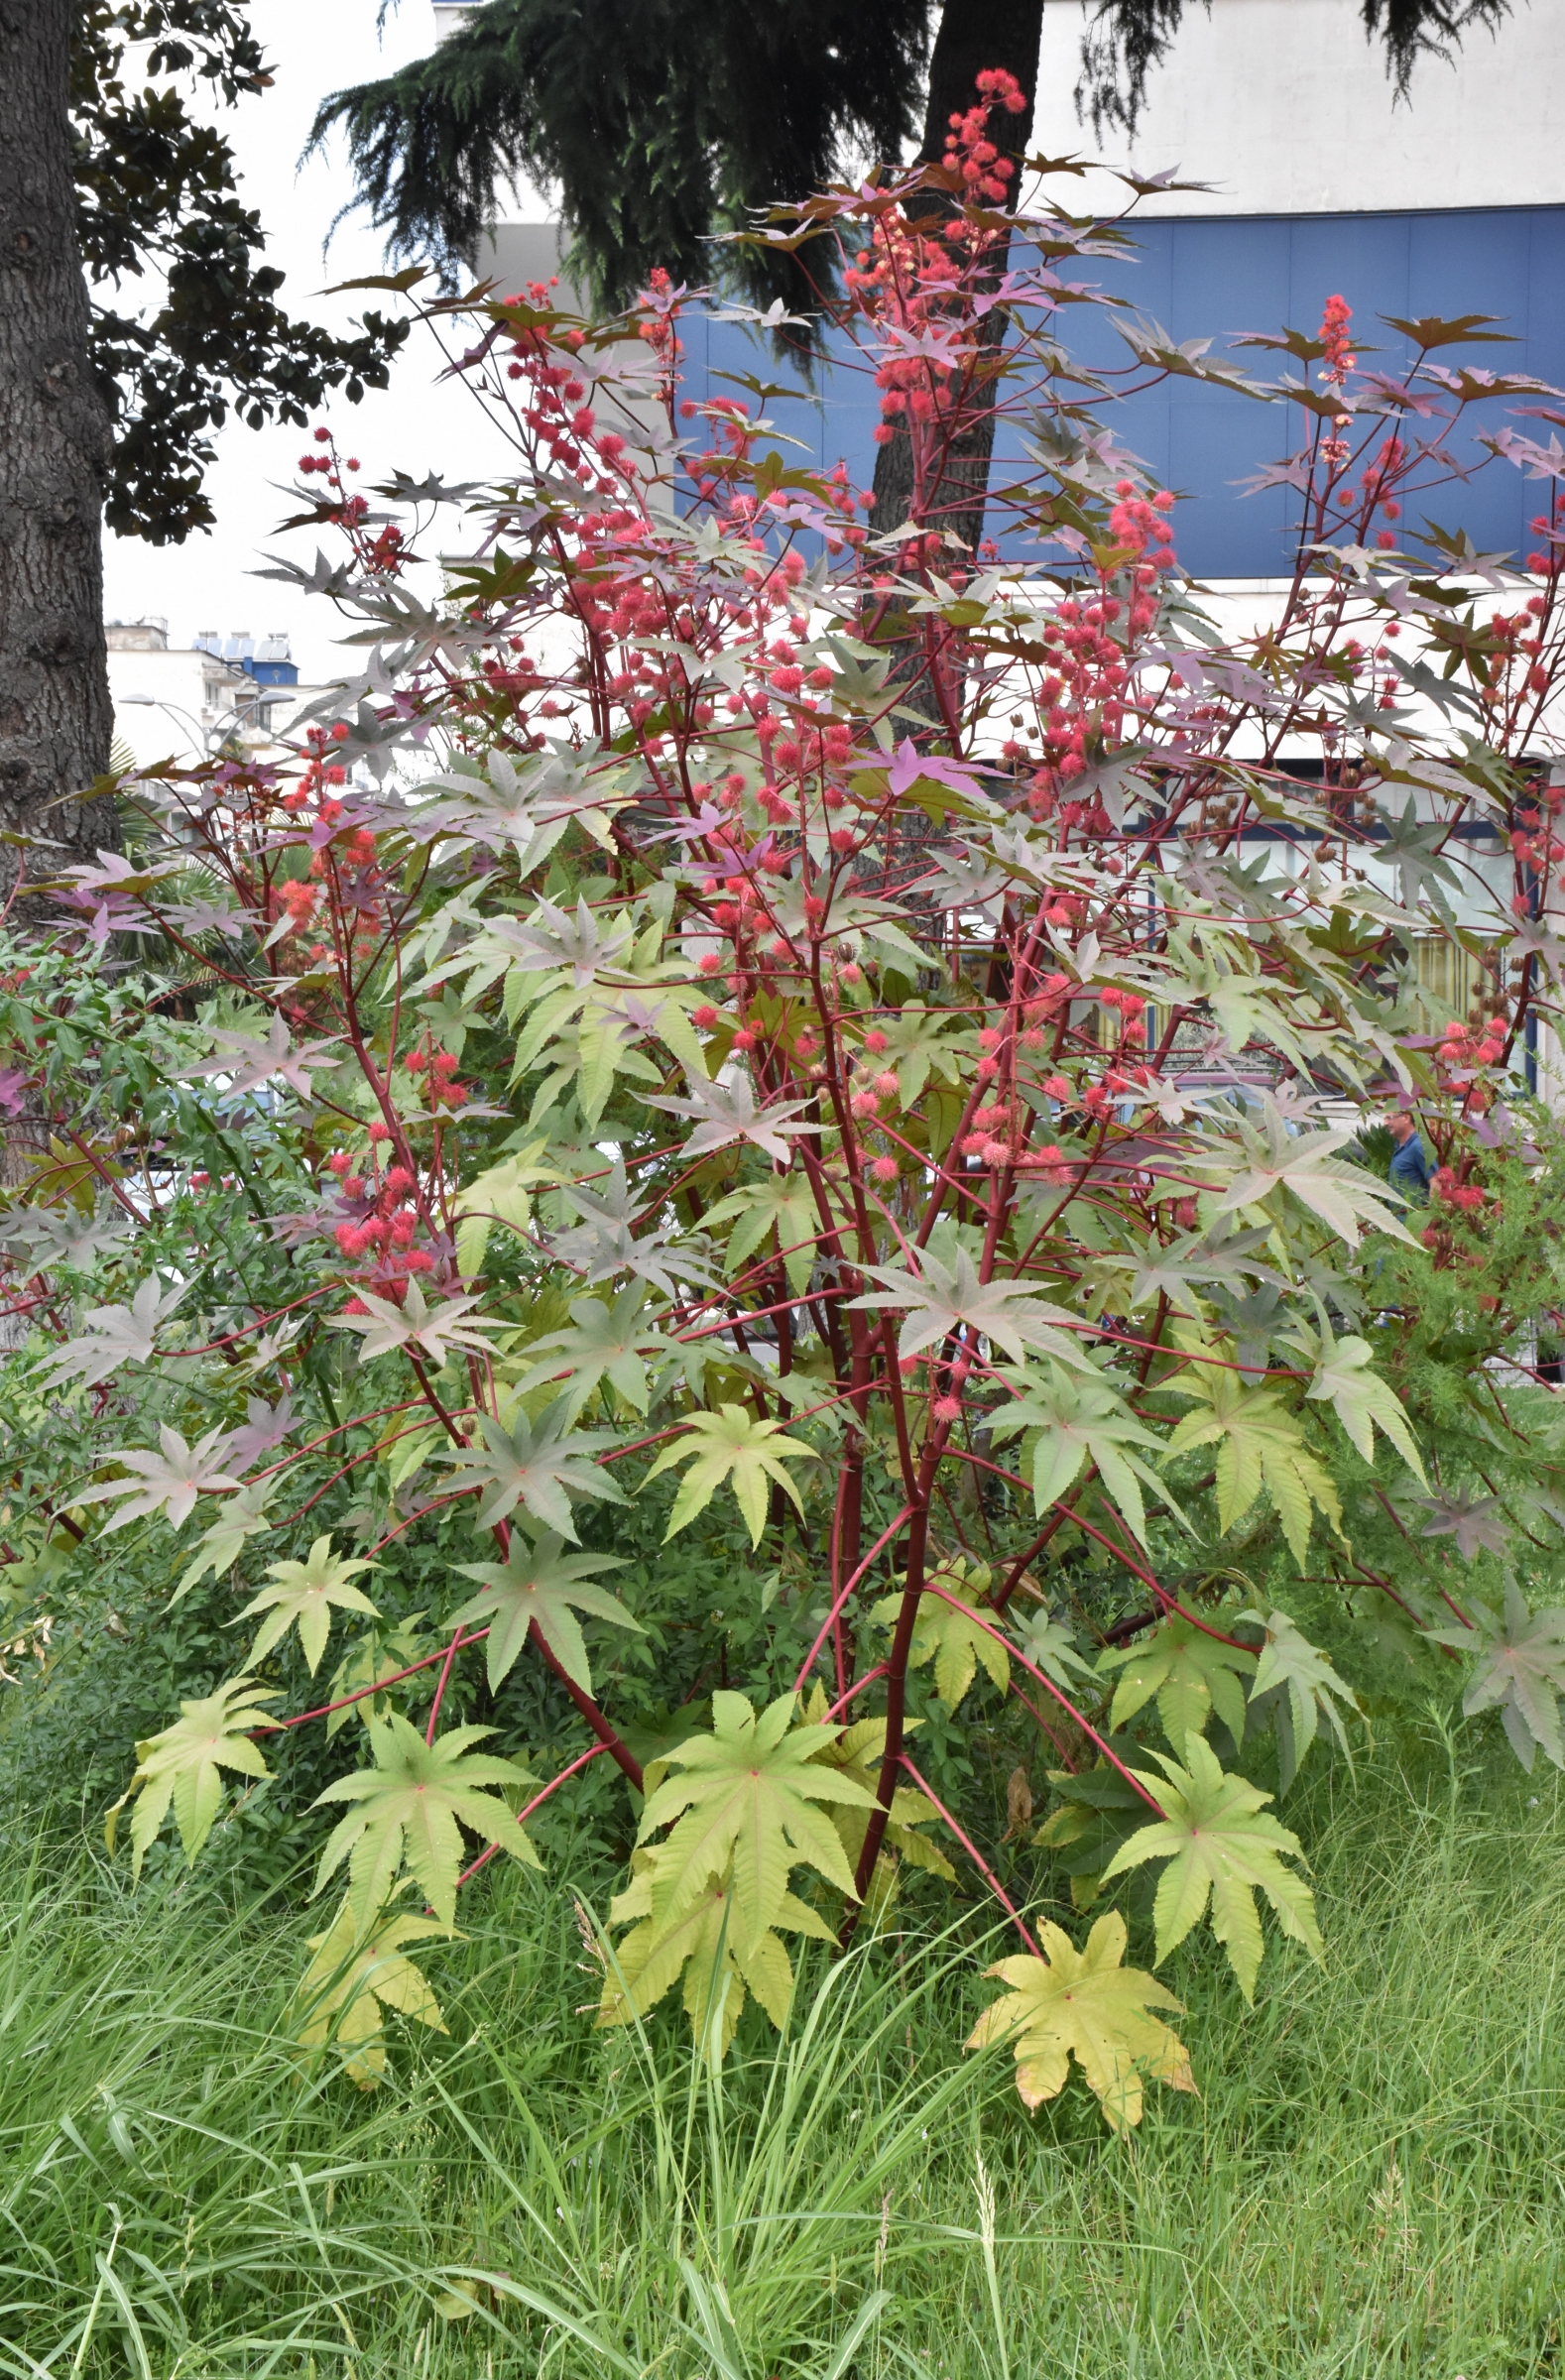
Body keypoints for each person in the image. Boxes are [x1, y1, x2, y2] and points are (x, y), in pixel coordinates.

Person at [1385, 1106, 1432, 1205]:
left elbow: (1435, 1182)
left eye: (1390, 1118)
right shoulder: (1400, 1146)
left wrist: (1433, 1217)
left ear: (1406, 1118)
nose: (1386, 1123)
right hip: (1400, 1217)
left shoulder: (1418, 1146)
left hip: (1414, 1217)